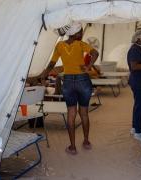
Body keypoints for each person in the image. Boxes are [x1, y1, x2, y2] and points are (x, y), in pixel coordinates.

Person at [40, 22, 99, 155]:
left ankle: (72, 147)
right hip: (83, 80)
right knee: (84, 113)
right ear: (76, 33)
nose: (82, 34)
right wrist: (88, 66)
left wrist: (43, 75)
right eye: (81, 32)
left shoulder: (60, 45)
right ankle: (86, 142)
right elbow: (95, 53)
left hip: (67, 82)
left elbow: (51, 64)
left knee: (71, 114)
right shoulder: (81, 44)